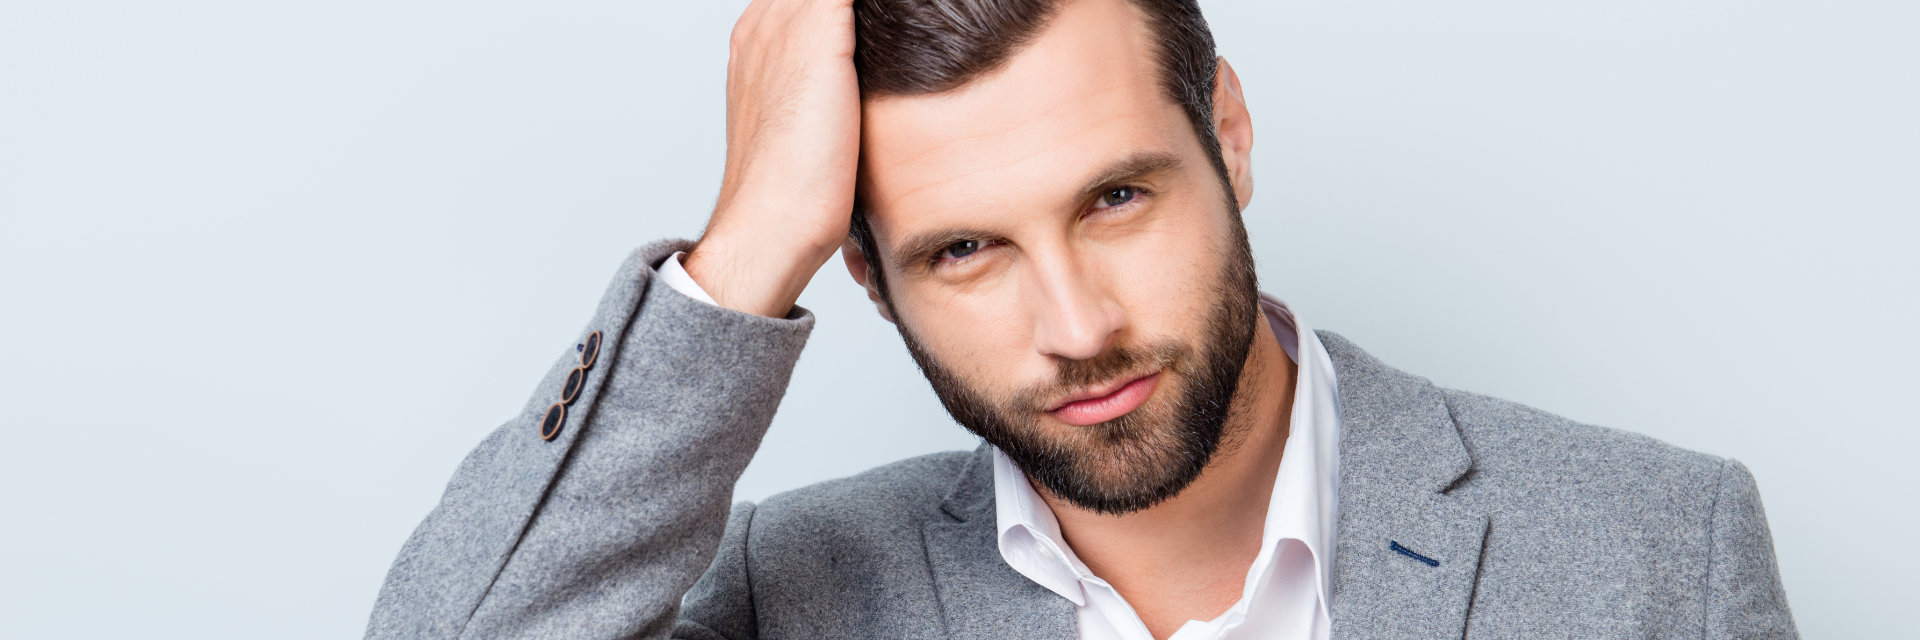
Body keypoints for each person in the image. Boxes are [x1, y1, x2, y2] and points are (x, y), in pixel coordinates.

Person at [364, 0, 1797, 638]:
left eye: (1117, 197)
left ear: (1228, 133)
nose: (1076, 325)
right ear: (870, 279)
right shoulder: (780, 596)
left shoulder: (1662, 551)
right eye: (968, 249)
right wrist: (742, 254)